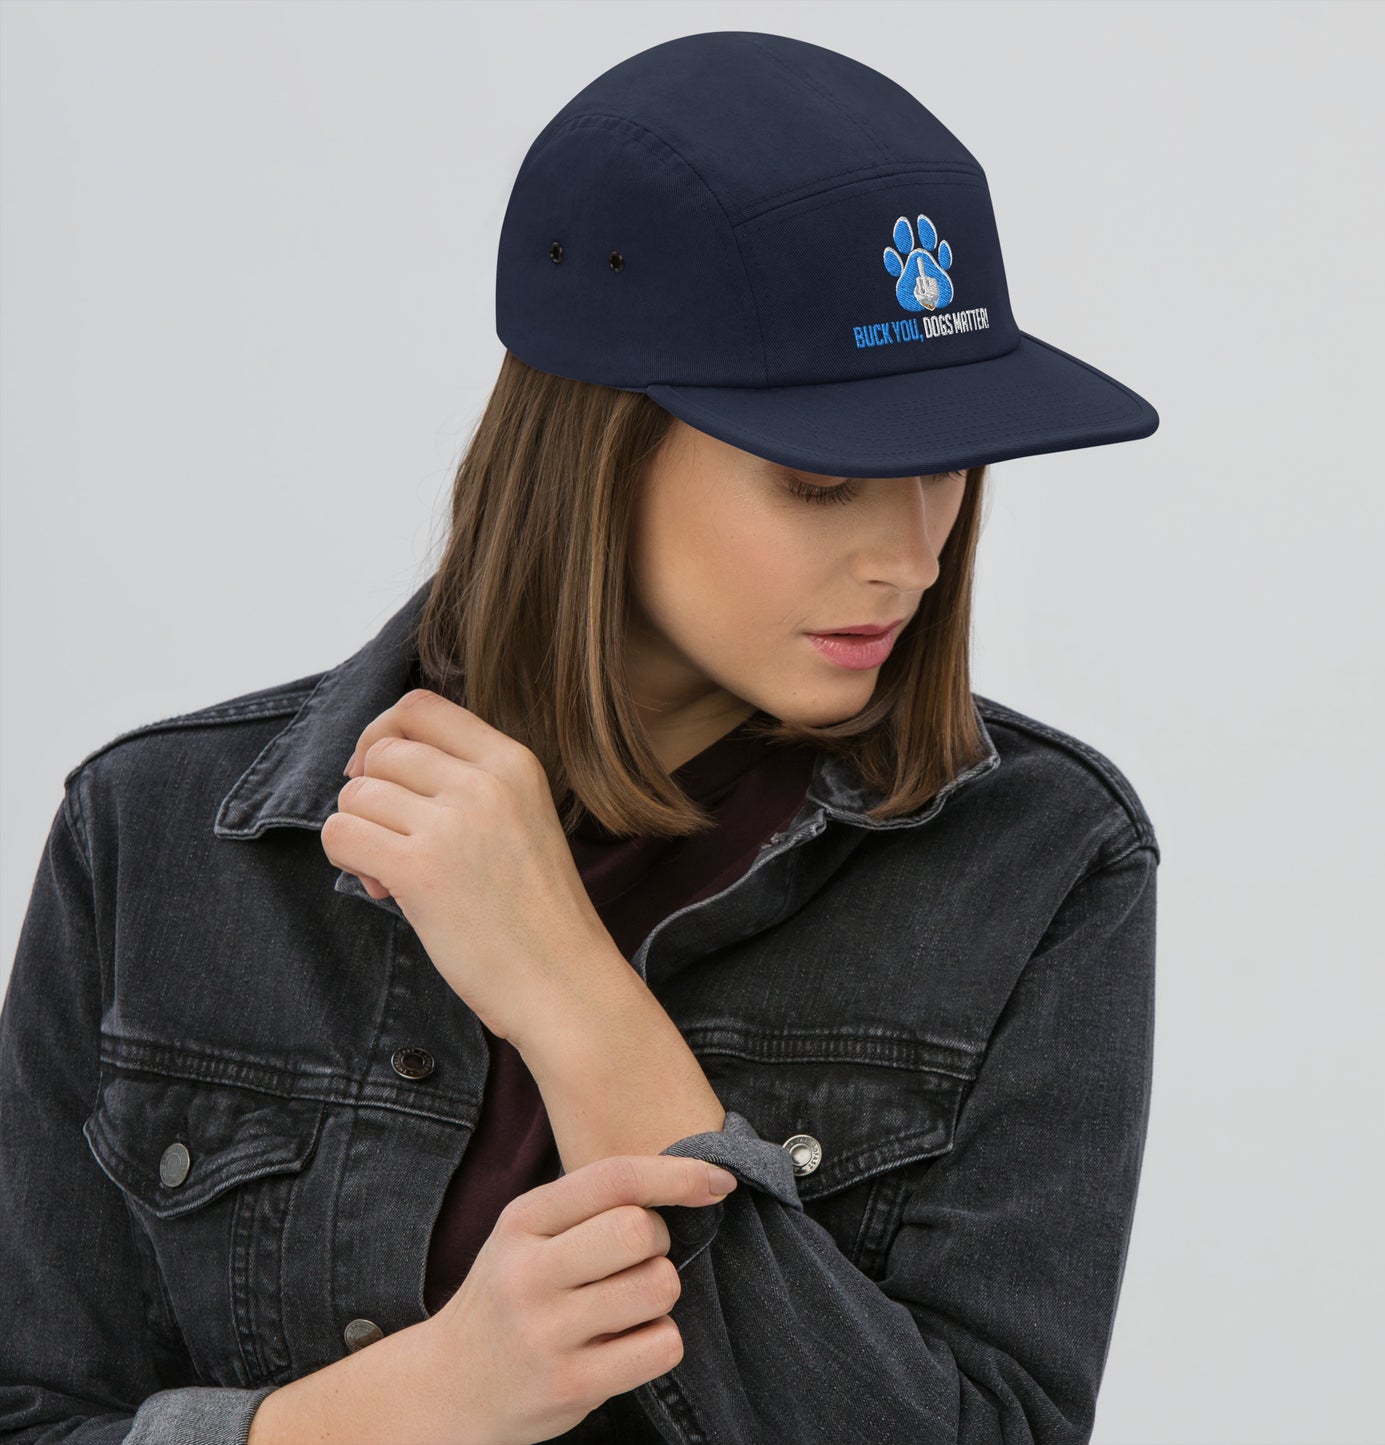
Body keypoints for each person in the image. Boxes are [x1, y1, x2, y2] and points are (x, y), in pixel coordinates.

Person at [0, 30, 1162, 1445]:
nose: (912, 559)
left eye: (948, 464)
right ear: (599, 449)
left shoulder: (1039, 859)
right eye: (819, 481)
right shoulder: (156, 835)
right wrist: (400, 1412)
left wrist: (571, 993)